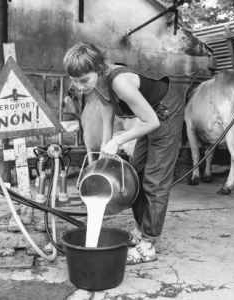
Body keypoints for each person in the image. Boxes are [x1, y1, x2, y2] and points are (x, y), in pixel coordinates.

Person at [63, 42, 184, 265]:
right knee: (136, 174)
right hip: (151, 112)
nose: (79, 87)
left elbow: (152, 121)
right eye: (74, 81)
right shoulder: (97, 83)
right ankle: (140, 231)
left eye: (84, 80)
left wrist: (118, 140)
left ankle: (148, 245)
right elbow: (107, 106)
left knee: (155, 179)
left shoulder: (119, 81)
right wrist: (105, 148)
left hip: (165, 110)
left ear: (98, 69)